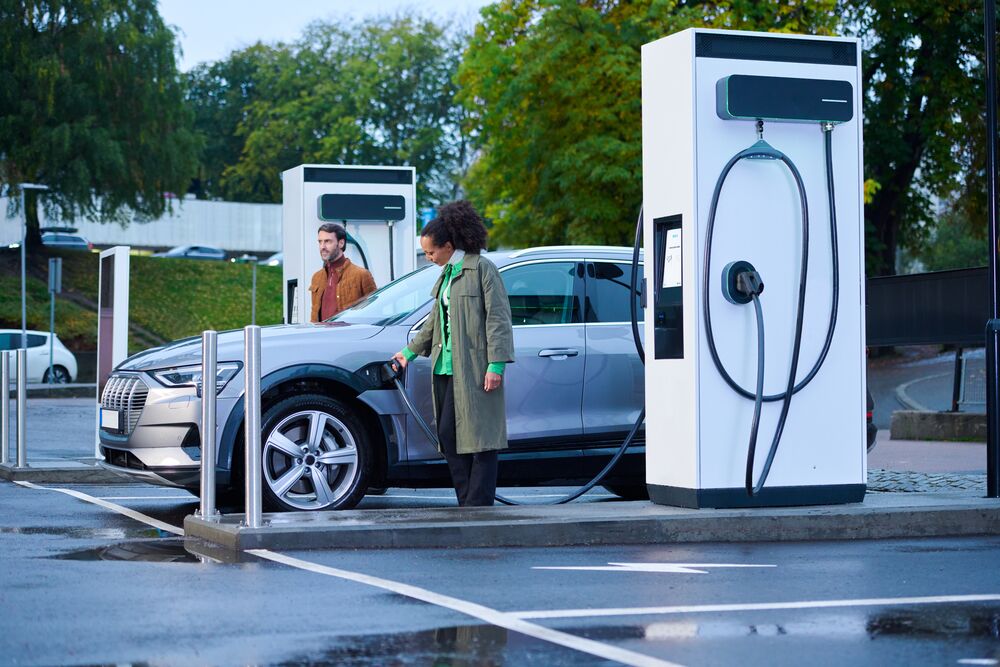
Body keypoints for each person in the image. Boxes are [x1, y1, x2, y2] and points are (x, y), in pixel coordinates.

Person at [392, 201, 514, 507]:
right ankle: (467, 503)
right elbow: (435, 320)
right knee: (449, 438)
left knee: (481, 440)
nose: (429, 257)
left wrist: (496, 365)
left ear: (448, 245)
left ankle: (478, 506)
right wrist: (408, 352)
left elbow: (498, 318)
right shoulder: (447, 275)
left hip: (476, 369)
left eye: (432, 252)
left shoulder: (481, 269)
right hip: (446, 369)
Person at [309, 223, 377, 322]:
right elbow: (314, 316)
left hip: (349, 336)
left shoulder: (361, 275)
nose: (322, 247)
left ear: (341, 243)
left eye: (327, 241)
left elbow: (374, 312)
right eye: (320, 242)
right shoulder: (317, 277)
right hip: (321, 335)